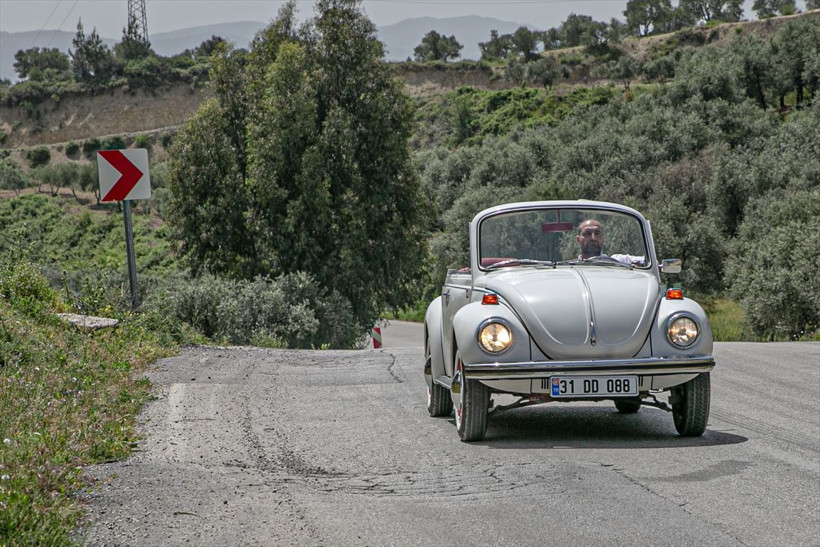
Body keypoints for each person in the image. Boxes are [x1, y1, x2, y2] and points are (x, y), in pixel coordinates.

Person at [576, 219, 644, 265]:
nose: (593, 238)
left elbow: (647, 261)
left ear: (603, 238)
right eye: (587, 234)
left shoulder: (618, 262)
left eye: (597, 233)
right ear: (578, 239)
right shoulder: (571, 266)